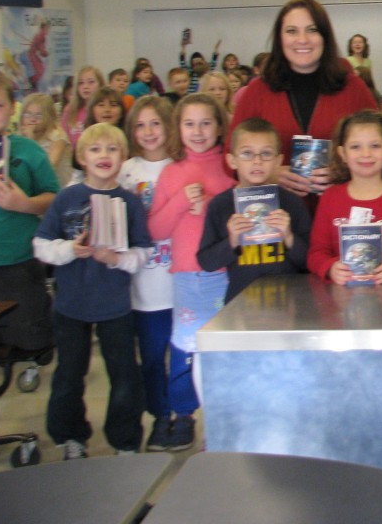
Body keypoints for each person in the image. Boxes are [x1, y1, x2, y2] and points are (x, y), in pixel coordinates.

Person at [33, 122, 149, 459]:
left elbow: (143, 253)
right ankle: (70, 437)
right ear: (82, 158)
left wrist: (116, 258)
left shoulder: (129, 202)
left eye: (112, 149)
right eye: (95, 149)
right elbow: (40, 245)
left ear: (123, 157)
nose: (104, 156)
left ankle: (125, 440)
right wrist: (70, 250)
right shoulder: (67, 197)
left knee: (125, 375)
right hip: (70, 306)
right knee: (69, 374)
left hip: (115, 306)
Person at [147, 93, 235, 450]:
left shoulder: (231, 169)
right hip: (189, 276)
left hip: (230, 274)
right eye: (189, 123)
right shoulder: (172, 172)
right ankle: (184, 415)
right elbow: (154, 230)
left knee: (224, 350)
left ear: (219, 127)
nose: (198, 131)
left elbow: (245, 217)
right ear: (177, 128)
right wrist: (182, 202)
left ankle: (224, 415)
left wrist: (215, 207)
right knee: (185, 348)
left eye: (205, 123)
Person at [230, 0, 376, 206]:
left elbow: (380, 149)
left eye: (312, 30)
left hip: (341, 215)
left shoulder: (353, 88)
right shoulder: (257, 91)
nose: (302, 40)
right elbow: (229, 157)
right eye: (291, 31)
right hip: (275, 219)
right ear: (279, 39)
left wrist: (343, 170)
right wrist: (268, 172)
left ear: (325, 36)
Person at [308, 110, 382, 284]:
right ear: (342, 154)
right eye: (355, 147)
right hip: (341, 301)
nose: (366, 154)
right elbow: (316, 254)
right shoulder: (330, 198)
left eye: (375, 146)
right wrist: (330, 268)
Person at [117, 95, 176, 451]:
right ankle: (160, 417)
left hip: (181, 282)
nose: (148, 131)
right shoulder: (125, 171)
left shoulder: (180, 166)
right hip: (144, 289)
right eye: (140, 124)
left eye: (155, 123)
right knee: (152, 360)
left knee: (186, 357)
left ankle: (185, 416)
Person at [198, 118, 311, 302]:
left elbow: (310, 261)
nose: (257, 161)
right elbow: (207, 262)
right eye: (247, 154)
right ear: (232, 160)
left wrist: (289, 237)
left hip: (290, 305)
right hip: (240, 305)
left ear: (278, 161)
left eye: (266, 153)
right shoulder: (220, 206)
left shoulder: (292, 203)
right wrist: (232, 240)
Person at [0, 70, 58, 355]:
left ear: (13, 108)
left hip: (18, 260)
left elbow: (53, 197)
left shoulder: (28, 150)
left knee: (28, 331)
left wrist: (23, 204)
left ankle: (29, 361)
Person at [17, 92, 72, 187]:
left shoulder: (58, 137)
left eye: (38, 116)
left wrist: (30, 142)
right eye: (27, 114)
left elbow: (48, 169)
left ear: (49, 117)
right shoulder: (20, 136)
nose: (32, 119)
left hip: (60, 188)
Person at [61, 65, 105, 148]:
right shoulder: (70, 110)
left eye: (91, 82)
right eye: (81, 83)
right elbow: (64, 137)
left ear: (100, 84)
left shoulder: (104, 110)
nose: (85, 87)